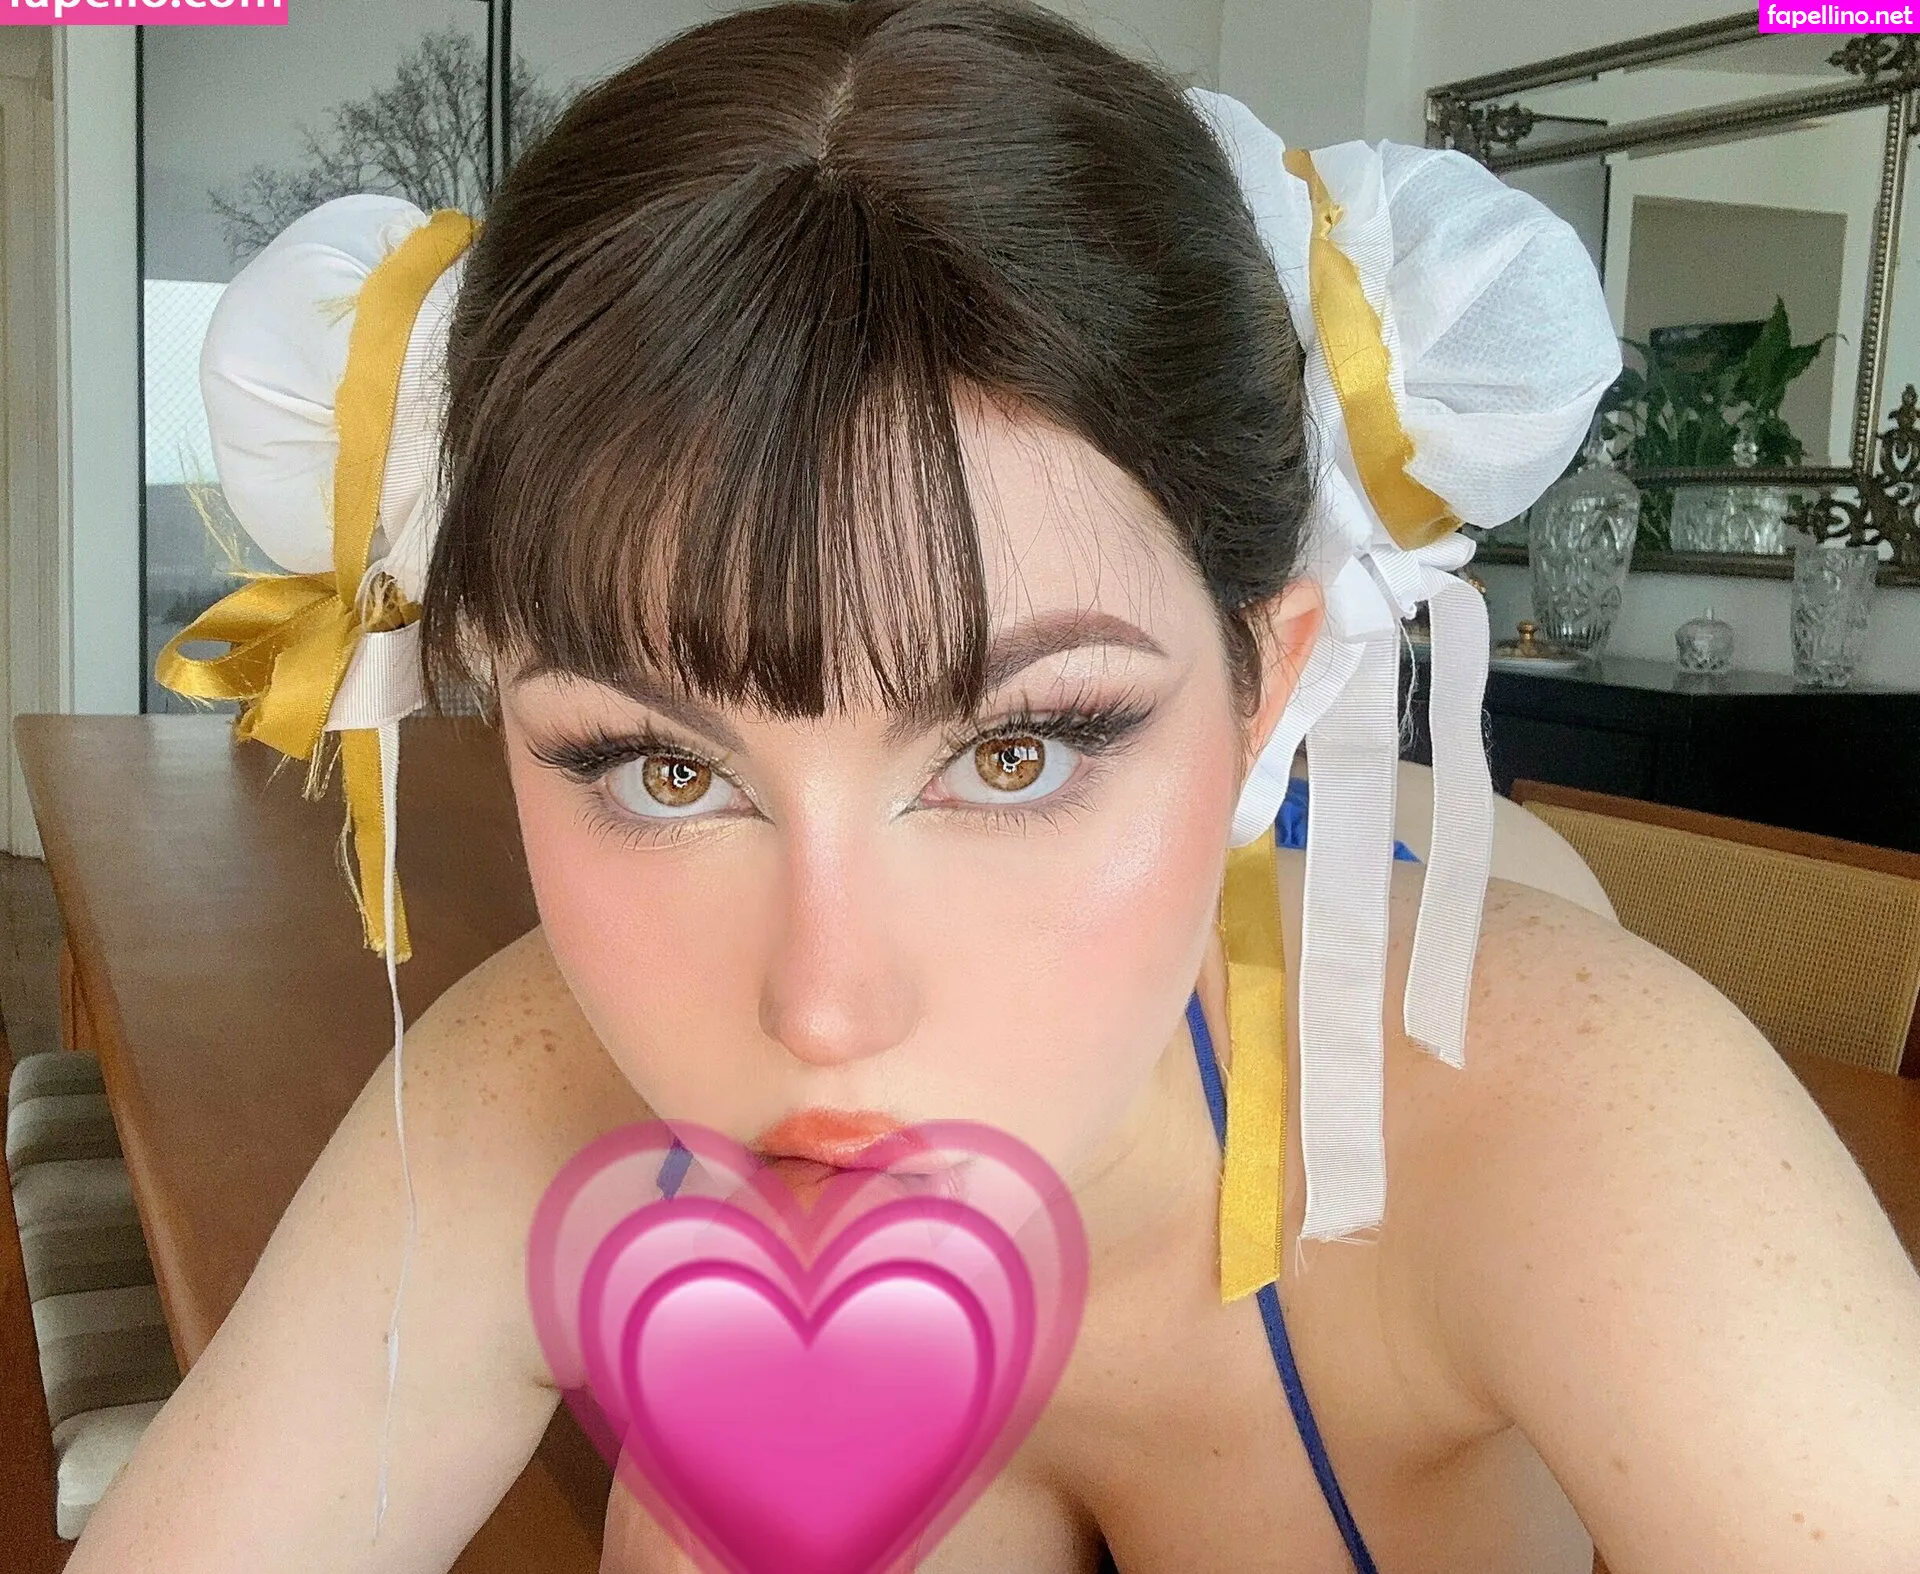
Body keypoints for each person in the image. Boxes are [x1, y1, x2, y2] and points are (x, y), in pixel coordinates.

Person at [75, 2, 1920, 1571]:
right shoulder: (530, 1082)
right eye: (663, 764)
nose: (825, 1005)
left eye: (1013, 749)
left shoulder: (1576, 1117)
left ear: (1270, 687)